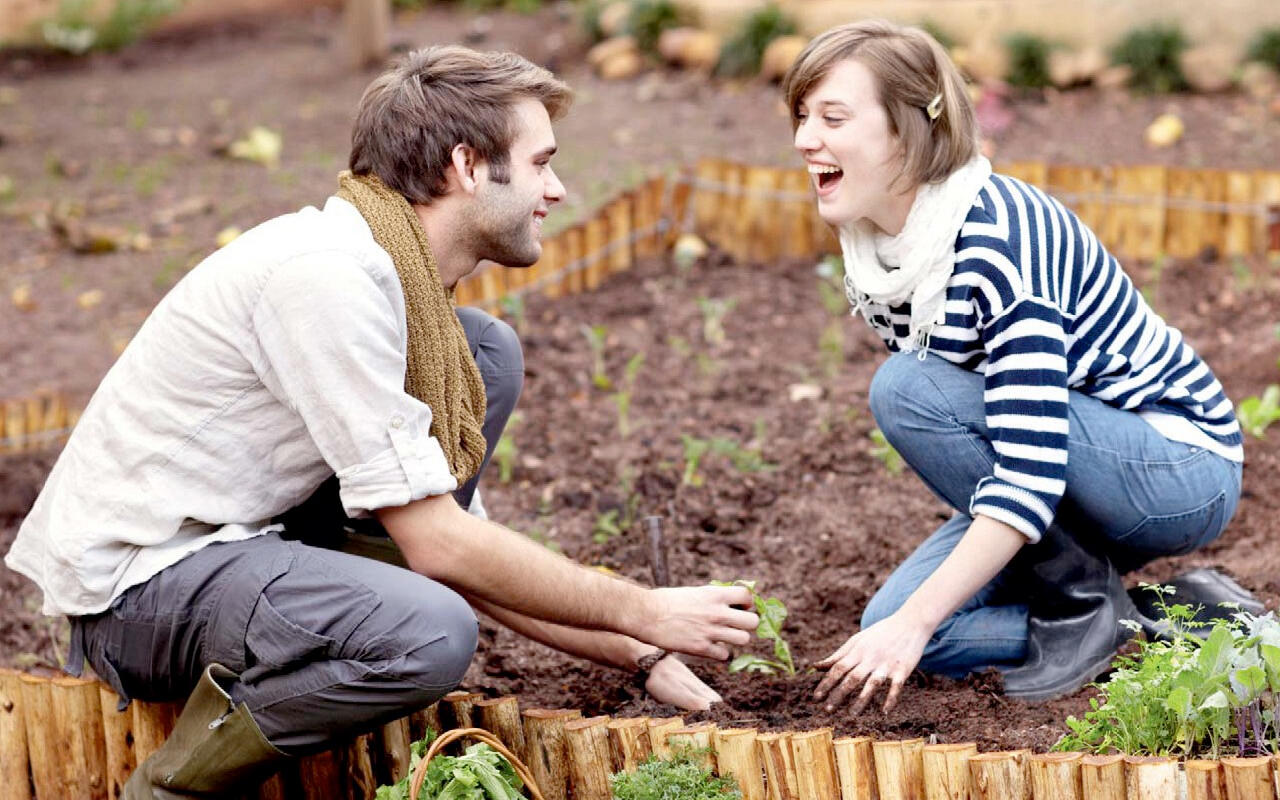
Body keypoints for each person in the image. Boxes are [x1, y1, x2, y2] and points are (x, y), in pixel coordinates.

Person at [4, 46, 758, 799]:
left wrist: (639, 649)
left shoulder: (411, 304)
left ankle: (354, 613)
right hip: (140, 591)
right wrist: (646, 608)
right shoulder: (327, 280)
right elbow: (442, 548)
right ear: (467, 165)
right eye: (541, 163)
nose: (558, 190)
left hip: (241, 548)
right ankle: (168, 790)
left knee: (486, 351)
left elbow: (463, 557)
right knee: (428, 632)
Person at [780, 21, 1247, 713]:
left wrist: (924, 612)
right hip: (1068, 475)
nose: (803, 139)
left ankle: (1079, 595)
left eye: (832, 117)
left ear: (908, 131)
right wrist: (911, 624)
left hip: (1175, 469)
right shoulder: (884, 251)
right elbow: (1002, 440)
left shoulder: (1000, 240)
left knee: (906, 391)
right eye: (800, 116)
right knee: (893, 631)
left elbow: (1024, 464)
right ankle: (1156, 615)